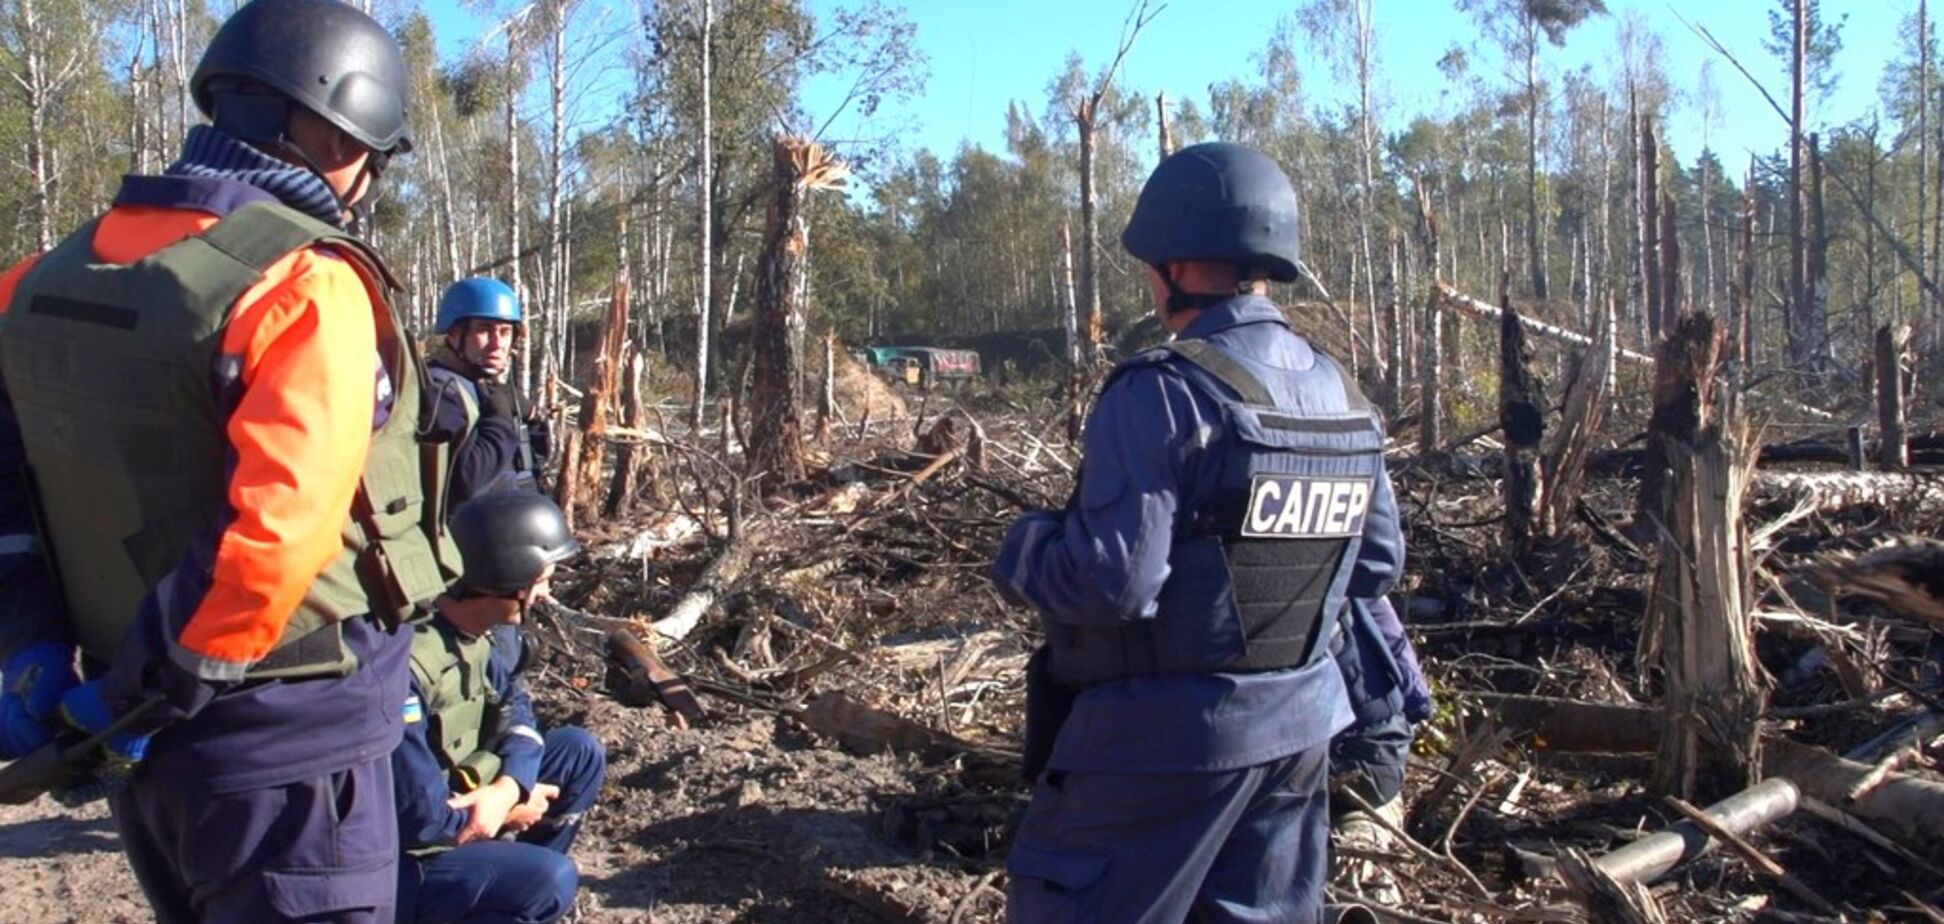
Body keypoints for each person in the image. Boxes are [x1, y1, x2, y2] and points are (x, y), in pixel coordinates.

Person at [0, 0, 456, 919]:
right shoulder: (299, 284)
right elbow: (276, 536)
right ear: (335, 133)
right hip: (280, 749)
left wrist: (32, 642)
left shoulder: (41, 276)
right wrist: (141, 696)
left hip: (143, 752)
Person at [992, 141, 1401, 923]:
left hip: (1159, 745)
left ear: (1172, 266)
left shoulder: (1162, 391)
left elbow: (1112, 583)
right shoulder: (1342, 396)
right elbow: (1376, 563)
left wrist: (1025, 549)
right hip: (1297, 735)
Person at [393, 491, 606, 924]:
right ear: (509, 575)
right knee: (549, 880)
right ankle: (508, 892)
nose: (545, 594)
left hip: (472, 795)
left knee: (578, 752)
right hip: (411, 856)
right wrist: (509, 812)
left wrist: (510, 788)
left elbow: (520, 716)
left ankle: (505, 885)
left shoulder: (474, 637)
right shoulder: (409, 667)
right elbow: (418, 815)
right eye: (542, 579)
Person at [427, 277, 552, 507]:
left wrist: (533, 421)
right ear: (454, 334)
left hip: (515, 528)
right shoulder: (439, 391)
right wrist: (500, 419)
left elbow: (529, 466)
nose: (497, 343)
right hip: (468, 537)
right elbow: (467, 479)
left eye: (505, 332)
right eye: (484, 330)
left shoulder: (485, 386)